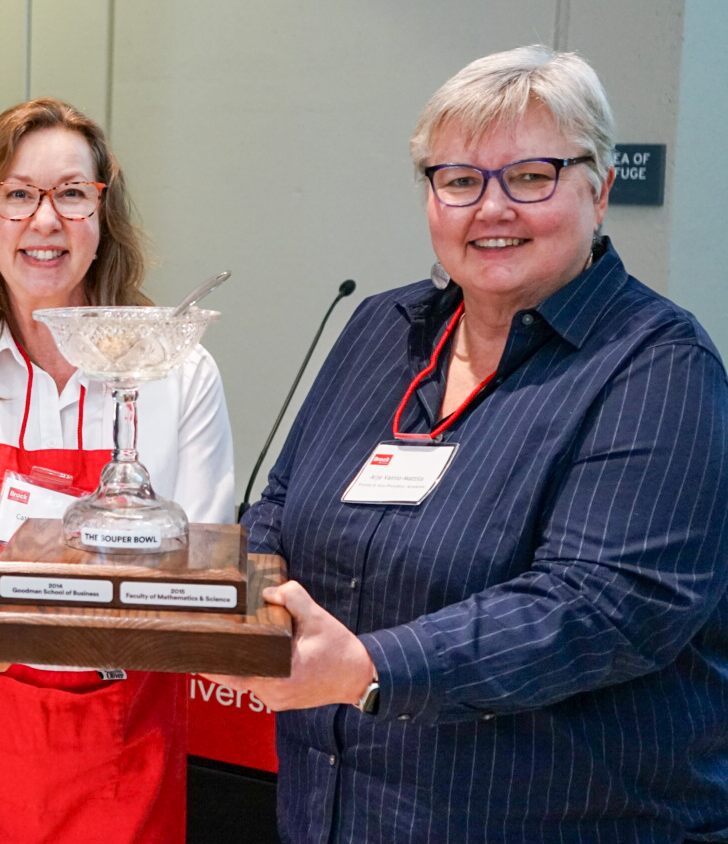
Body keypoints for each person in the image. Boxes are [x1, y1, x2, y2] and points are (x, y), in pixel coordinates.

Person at [216, 46, 728, 843]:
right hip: (334, 815)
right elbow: (283, 505)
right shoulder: (380, 330)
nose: (490, 208)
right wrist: (246, 604)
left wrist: (366, 668)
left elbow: (603, 606)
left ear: (600, 190)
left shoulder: (657, 366)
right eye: (458, 179)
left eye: (530, 175)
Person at [0, 97, 237, 844]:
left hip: (121, 737)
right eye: (17, 194)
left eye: (72, 193)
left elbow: (199, 558)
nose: (45, 221)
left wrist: (2, 582)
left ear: (103, 216)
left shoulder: (179, 373)